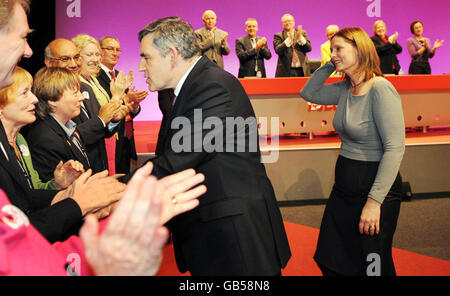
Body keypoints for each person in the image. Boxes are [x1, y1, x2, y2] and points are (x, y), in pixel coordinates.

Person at [0, 0, 206, 276]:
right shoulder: (42, 134)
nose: (28, 51)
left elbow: (19, 228)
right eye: (23, 37)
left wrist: (68, 194)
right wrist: (77, 204)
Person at [138, 17, 291, 276]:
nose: (141, 66)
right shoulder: (197, 84)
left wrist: (110, 193)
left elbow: (177, 159)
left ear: (172, 55)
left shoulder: (210, 85)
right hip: (218, 232)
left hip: (234, 239)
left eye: (147, 57)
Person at [300, 27, 405, 276]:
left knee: (371, 263)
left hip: (374, 186)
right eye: (331, 49)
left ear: (360, 50)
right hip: (344, 186)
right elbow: (308, 93)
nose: (333, 54)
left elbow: (394, 148)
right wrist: (330, 65)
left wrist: (374, 202)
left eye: (339, 49)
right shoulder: (345, 88)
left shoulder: (380, 88)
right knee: (331, 256)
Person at [0, 67, 124, 242]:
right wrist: (74, 199)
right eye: (24, 93)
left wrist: (57, 185)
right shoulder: (43, 137)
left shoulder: (20, 140)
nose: (34, 99)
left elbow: (31, 193)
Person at [72, 34, 131, 174]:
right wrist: (116, 97)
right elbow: (96, 118)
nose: (96, 59)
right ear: (78, 57)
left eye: (97, 54)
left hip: (103, 141)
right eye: (90, 54)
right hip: (88, 149)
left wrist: (115, 118)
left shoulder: (93, 80)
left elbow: (103, 116)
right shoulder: (77, 84)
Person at [97, 36, 148, 174]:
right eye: (110, 49)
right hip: (108, 138)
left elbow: (128, 109)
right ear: (100, 51)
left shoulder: (118, 75)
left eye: (118, 50)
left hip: (125, 138)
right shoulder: (94, 76)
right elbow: (102, 107)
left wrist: (134, 105)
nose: (115, 53)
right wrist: (125, 99)